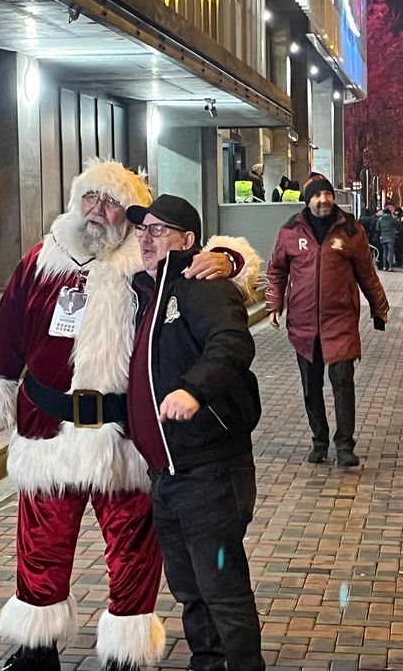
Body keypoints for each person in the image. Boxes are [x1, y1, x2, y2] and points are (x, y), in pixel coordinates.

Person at [0, 159, 241, 671]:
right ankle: (36, 651)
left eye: (112, 202)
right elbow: (5, 337)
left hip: (124, 438)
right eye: (90, 197)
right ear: (75, 201)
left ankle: (125, 655)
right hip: (50, 432)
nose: (98, 210)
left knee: (133, 551)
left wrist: (227, 259)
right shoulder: (41, 260)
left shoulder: (146, 258)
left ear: (130, 215)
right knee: (41, 546)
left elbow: (210, 262)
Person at [126, 193, 265, 671]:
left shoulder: (200, 284)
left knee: (222, 587)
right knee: (189, 588)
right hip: (168, 471)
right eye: (143, 229)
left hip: (210, 469)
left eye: (158, 230)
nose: (146, 237)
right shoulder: (149, 292)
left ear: (188, 241)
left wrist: (193, 391)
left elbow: (232, 342)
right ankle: (209, 663)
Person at [266, 175, 390, 466]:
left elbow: (366, 274)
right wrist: (275, 303)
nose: (323, 200)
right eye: (316, 195)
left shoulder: (350, 230)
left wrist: (379, 307)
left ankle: (345, 445)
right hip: (303, 323)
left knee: (343, 383)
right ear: (307, 200)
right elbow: (276, 270)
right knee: (311, 387)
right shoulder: (289, 231)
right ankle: (319, 440)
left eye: (327, 194)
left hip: (341, 321)